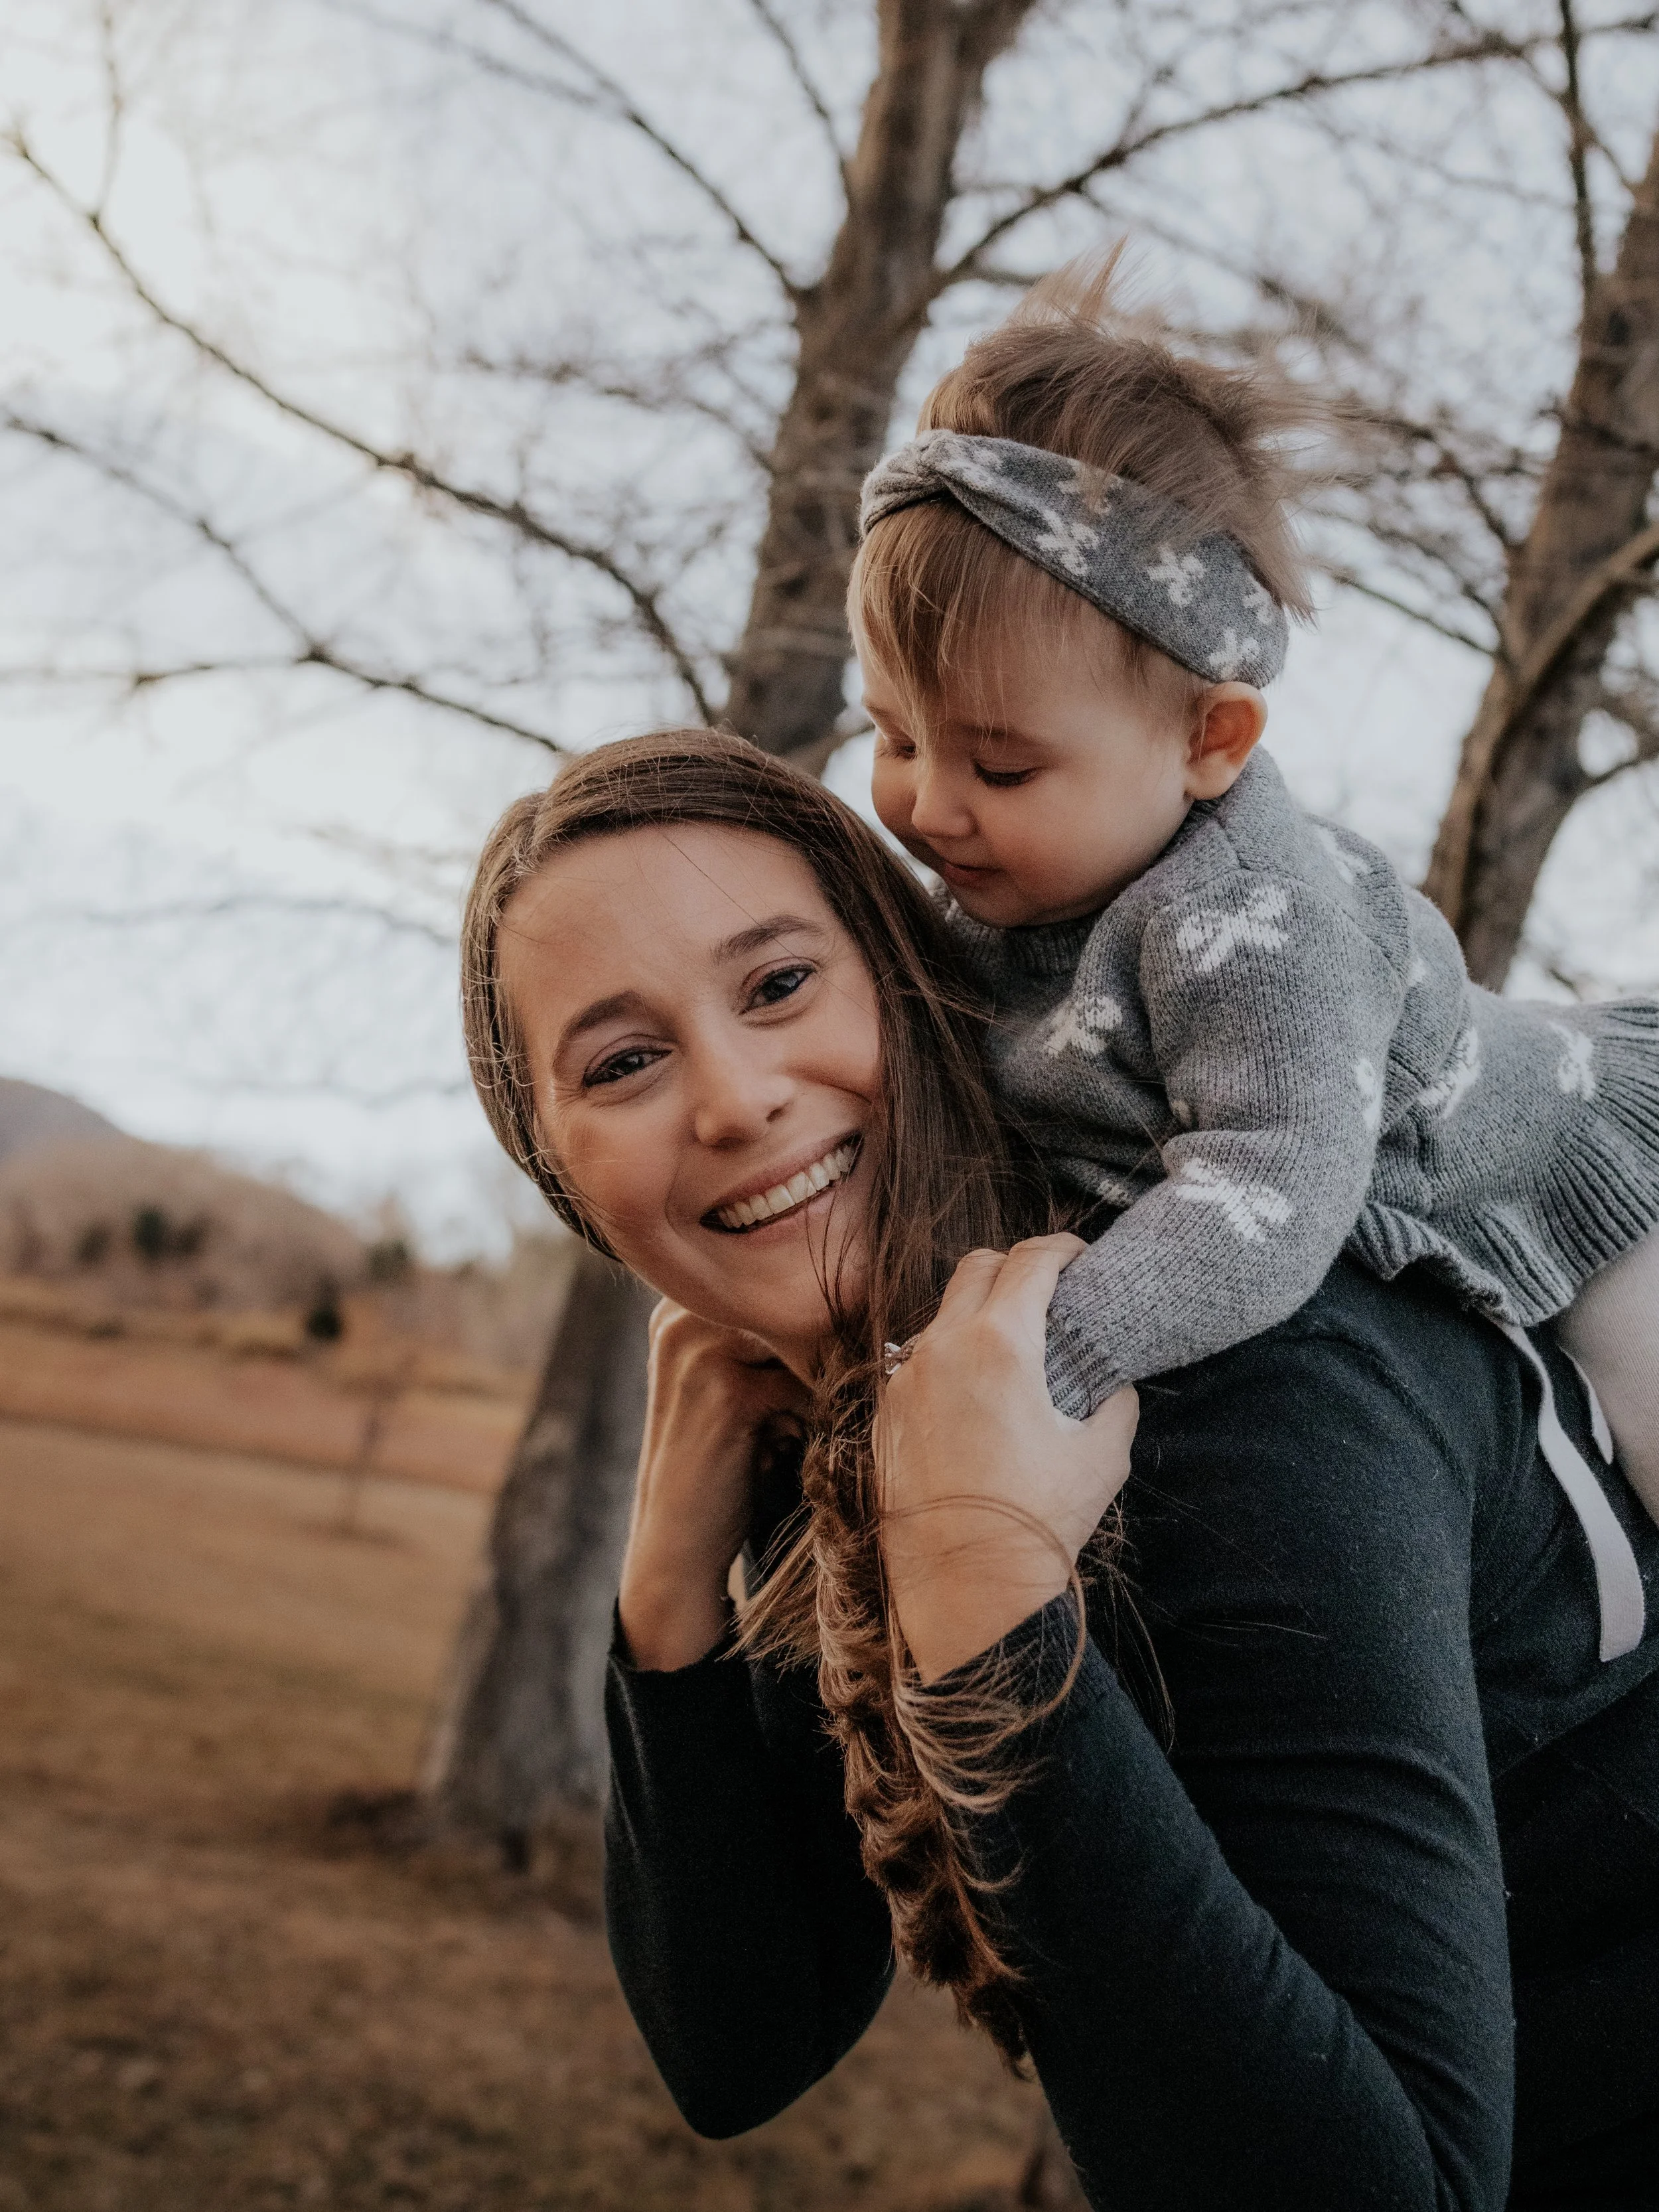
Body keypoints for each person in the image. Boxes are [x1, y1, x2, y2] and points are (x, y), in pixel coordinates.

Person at [462, 728, 1659, 2209]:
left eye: (778, 985)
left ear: (912, 982)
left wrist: (986, 1602)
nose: (734, 1098)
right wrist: (670, 1592)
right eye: (623, 1063)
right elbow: (741, 2045)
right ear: (557, 1170)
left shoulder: (1233, 1374)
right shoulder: (873, 1416)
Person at [850, 260, 1659, 1534]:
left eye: (1001, 767)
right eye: (896, 737)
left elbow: (1270, 1185)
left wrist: (1047, 1356)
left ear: (1210, 742)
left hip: (1587, 1190)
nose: (932, 807)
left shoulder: (1249, 919)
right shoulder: (995, 887)